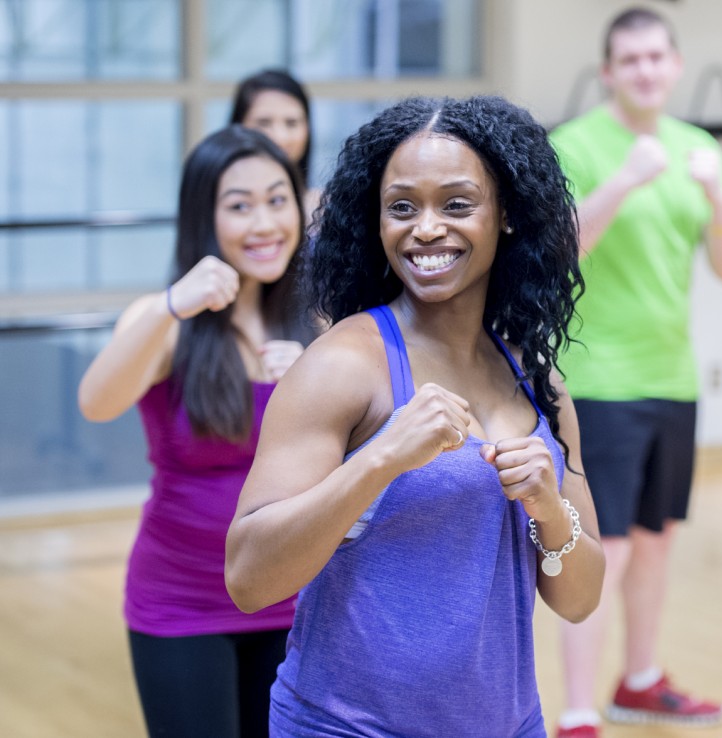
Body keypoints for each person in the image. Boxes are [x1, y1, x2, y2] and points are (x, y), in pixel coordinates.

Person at [223, 95, 605, 737]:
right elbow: (249, 577)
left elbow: (581, 598)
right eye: (402, 207)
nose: (426, 228)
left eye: (457, 204)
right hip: (347, 726)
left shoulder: (538, 381)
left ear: (505, 215)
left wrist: (548, 507)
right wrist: (379, 460)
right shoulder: (343, 365)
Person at [78, 125, 316, 738]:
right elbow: (96, 402)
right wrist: (169, 306)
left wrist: (313, 383)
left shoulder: (320, 319)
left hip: (297, 598)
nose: (264, 223)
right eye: (239, 206)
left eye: (277, 199)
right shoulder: (166, 320)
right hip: (181, 603)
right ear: (204, 217)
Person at [548, 7, 722, 736]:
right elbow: (560, 249)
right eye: (629, 60)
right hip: (602, 383)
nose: (645, 71)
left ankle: (638, 679)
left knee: (657, 540)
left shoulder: (699, 149)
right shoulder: (576, 145)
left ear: (676, 65)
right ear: (608, 71)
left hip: (674, 379)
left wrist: (720, 198)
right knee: (609, 547)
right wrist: (625, 180)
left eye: (656, 57)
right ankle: (574, 709)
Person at [230, 68, 321, 218]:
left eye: (291, 123)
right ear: (239, 127)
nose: (280, 137)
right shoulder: (219, 206)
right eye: (264, 123)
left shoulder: (324, 209)